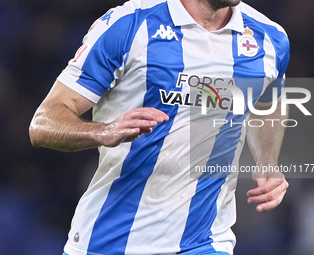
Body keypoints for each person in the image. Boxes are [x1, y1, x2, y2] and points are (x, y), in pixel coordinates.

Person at [29, 0, 290, 254]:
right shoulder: (130, 25)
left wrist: (266, 159)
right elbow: (43, 123)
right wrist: (103, 131)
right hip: (109, 240)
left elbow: (269, 102)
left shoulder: (269, 38)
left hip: (204, 242)